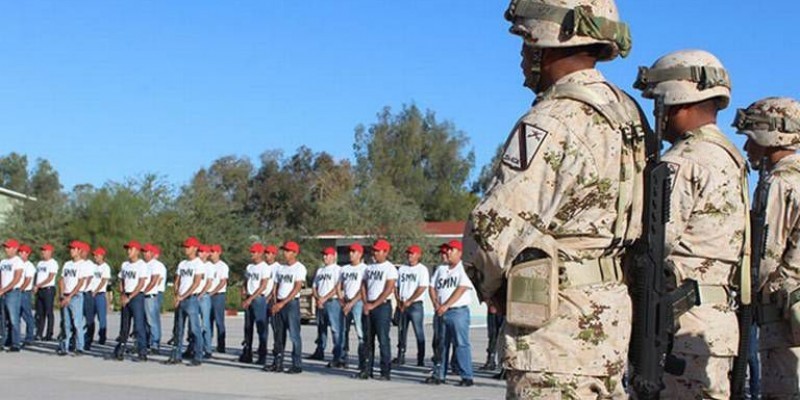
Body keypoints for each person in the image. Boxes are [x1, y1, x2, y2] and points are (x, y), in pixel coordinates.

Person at [463, 0, 647, 397]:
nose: (522, 55)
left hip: (554, 332)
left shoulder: (551, 118)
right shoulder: (628, 114)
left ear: (545, 44)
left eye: (526, 43)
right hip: (610, 326)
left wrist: (489, 283)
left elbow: (494, 228)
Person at [634, 49, 748, 398]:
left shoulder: (682, 161)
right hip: (716, 324)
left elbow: (653, 243)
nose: (661, 117)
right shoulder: (732, 158)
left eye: (661, 105)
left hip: (678, 327)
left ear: (677, 100)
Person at [737, 97, 800, 398]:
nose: (747, 149)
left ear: (769, 136)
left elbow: (763, 258)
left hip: (783, 319)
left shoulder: (779, 183)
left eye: (751, 139)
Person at [425, 240, 475, 386]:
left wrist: (446, 305)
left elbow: (461, 288)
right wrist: (436, 303)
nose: (447, 252)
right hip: (440, 311)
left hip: (457, 311)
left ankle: (467, 376)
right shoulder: (441, 269)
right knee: (441, 344)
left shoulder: (464, 268)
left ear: (460, 253)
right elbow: (432, 287)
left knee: (461, 343)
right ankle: (439, 374)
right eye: (447, 250)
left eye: (451, 250)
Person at [353, 239, 397, 381]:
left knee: (383, 339)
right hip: (369, 305)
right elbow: (364, 285)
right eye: (374, 250)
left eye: (378, 251)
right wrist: (366, 303)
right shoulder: (369, 268)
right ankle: (367, 369)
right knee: (367, 339)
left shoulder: (389, 268)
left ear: (386, 252)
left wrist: (374, 304)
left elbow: (388, 288)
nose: (375, 253)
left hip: (382, 306)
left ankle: (385, 371)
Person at [266, 241, 306, 374]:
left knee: (294, 334)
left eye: (288, 251)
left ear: (295, 253)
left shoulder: (299, 268)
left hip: (291, 303)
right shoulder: (280, 268)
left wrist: (283, 303)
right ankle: (278, 362)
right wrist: (275, 301)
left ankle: (296, 364)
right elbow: (276, 285)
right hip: (279, 302)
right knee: (278, 334)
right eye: (284, 250)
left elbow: (297, 287)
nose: (285, 253)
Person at [165, 237, 204, 366]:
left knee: (194, 329)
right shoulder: (182, 264)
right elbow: (177, 280)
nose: (186, 249)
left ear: (195, 248)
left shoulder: (198, 264)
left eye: (188, 247)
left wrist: (184, 296)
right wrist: (176, 295)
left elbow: (196, 282)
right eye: (185, 247)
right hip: (181, 298)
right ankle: (176, 355)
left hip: (191, 298)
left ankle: (198, 356)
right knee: (178, 328)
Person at [113, 240, 151, 361]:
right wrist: (123, 294)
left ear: (137, 251)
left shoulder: (141, 265)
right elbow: (122, 281)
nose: (128, 251)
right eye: (128, 249)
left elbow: (141, 283)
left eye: (131, 249)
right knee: (124, 325)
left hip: (136, 296)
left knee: (139, 325)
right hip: (127, 295)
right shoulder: (125, 265)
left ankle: (142, 351)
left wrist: (130, 297)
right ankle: (121, 349)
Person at [393, 244, 429, 367]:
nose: (409, 256)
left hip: (415, 304)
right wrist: (398, 300)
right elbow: (396, 286)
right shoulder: (402, 269)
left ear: (418, 255)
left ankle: (420, 358)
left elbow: (422, 287)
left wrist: (411, 300)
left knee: (418, 331)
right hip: (402, 303)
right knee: (401, 330)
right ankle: (401, 355)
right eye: (408, 253)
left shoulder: (422, 269)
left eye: (412, 253)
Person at [309, 247, 343, 367]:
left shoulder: (338, 270)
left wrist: (325, 298)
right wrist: (318, 298)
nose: (325, 257)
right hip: (320, 302)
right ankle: (320, 350)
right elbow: (314, 286)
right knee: (321, 328)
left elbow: (336, 288)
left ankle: (338, 355)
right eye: (324, 255)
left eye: (327, 255)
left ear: (333, 256)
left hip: (332, 302)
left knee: (335, 329)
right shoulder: (320, 271)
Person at [57, 241, 91, 356]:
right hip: (65, 295)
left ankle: (79, 346)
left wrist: (70, 296)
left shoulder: (82, 264)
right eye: (70, 249)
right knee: (66, 323)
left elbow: (80, 282)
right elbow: (61, 280)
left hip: (76, 296)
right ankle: (64, 347)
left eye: (74, 249)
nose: (71, 251)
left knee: (77, 322)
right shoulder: (67, 264)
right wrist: (62, 295)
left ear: (79, 251)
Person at [240, 243, 269, 365]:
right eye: (251, 252)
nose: (252, 254)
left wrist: (251, 298)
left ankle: (262, 354)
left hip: (258, 299)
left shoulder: (264, 267)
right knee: (248, 327)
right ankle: (247, 352)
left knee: (261, 327)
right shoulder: (249, 267)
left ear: (260, 253)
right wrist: (243, 291)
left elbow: (263, 285)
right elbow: (246, 280)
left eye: (254, 252)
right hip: (249, 297)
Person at [339, 242, 366, 370]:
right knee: (344, 331)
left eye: (354, 252)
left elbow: (363, 289)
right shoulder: (344, 269)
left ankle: (362, 360)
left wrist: (352, 302)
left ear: (360, 254)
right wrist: (341, 300)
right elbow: (338, 286)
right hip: (346, 301)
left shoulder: (364, 269)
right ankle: (343, 357)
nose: (351, 254)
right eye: (350, 251)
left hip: (358, 303)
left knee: (360, 331)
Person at [0, 239, 24, 351]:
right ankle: (3, 341)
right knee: (3, 318)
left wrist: (4, 289)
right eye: (5, 247)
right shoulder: (3, 262)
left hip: (13, 292)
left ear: (15, 249)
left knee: (13, 318)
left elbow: (17, 278)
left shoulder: (17, 261)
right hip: (3, 292)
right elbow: (1, 277)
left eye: (8, 247)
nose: (6, 249)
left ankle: (15, 343)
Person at [142, 244, 166, 353]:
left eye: (147, 251)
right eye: (144, 251)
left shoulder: (156, 265)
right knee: (144, 320)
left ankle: (155, 343)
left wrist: (144, 291)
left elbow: (156, 280)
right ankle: (145, 342)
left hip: (152, 294)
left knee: (153, 320)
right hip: (143, 294)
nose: (144, 253)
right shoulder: (143, 264)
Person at [33, 243, 58, 342]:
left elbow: (50, 277)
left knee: (49, 312)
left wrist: (38, 285)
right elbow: (37, 276)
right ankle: (39, 333)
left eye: (45, 250)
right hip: (40, 290)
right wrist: (35, 285)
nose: (43, 252)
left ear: (50, 252)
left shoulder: (53, 263)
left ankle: (49, 334)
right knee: (40, 312)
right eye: (42, 250)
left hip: (48, 289)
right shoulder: (40, 263)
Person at [208, 244, 229, 353]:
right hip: (208, 295)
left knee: (219, 320)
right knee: (207, 320)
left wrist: (213, 292)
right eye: (210, 251)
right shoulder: (208, 265)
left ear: (219, 253)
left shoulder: (222, 266)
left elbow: (222, 282)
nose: (211, 254)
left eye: (213, 251)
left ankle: (221, 345)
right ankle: (207, 343)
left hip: (218, 295)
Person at [90, 247, 111, 345]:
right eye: (94, 255)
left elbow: (104, 281)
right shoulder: (93, 266)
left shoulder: (105, 267)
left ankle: (102, 337)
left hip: (100, 294)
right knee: (90, 317)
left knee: (101, 317)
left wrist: (96, 291)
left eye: (97, 255)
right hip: (91, 294)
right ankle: (89, 336)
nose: (95, 257)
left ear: (102, 256)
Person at [196, 244, 213, 358]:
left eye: (202, 252)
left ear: (207, 254)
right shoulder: (196, 264)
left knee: (205, 324)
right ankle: (195, 347)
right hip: (194, 296)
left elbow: (209, 282)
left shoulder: (209, 266)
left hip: (204, 296)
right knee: (195, 324)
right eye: (199, 251)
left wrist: (201, 294)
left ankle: (207, 349)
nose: (200, 253)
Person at [18, 244, 36, 346]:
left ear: (27, 254)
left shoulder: (29, 266)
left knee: (27, 315)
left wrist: (20, 289)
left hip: (24, 292)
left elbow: (28, 279)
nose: (20, 254)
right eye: (19, 252)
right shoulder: (18, 264)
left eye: (22, 252)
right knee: (16, 315)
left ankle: (30, 337)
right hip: (17, 291)